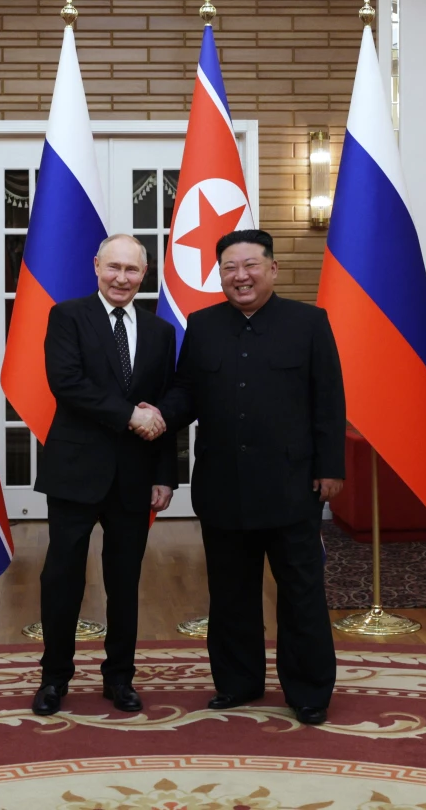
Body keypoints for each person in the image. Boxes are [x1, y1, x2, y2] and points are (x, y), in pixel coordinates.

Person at [147, 229, 345, 725]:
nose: (241, 276)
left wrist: (330, 468)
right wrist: (157, 415)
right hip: (223, 486)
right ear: (220, 275)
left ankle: (309, 691)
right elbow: (187, 392)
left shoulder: (309, 323)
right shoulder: (202, 325)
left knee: (300, 593)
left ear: (272, 269)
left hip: (291, 485)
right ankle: (237, 683)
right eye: (230, 268)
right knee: (231, 594)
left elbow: (328, 401)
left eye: (251, 265)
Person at [31, 234, 177, 717]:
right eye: (113, 267)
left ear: (144, 274)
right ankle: (55, 678)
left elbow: (161, 408)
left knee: (125, 580)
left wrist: (165, 475)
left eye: (132, 270)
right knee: (62, 578)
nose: (121, 278)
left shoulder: (160, 332)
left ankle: (120, 678)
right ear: (96, 266)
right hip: (75, 471)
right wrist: (129, 415)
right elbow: (67, 384)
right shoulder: (68, 316)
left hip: (135, 477)